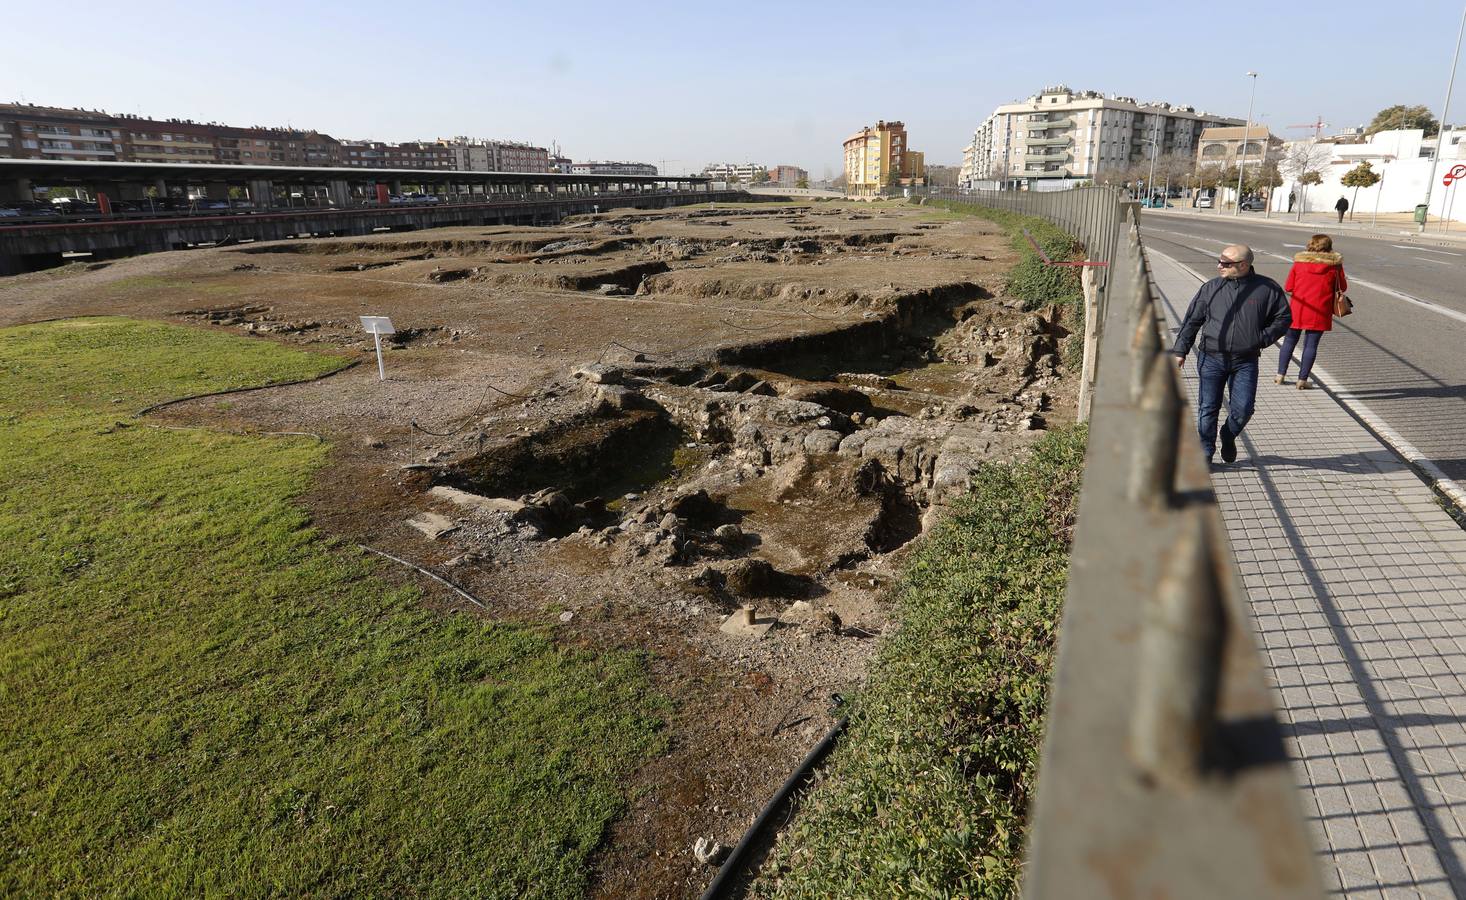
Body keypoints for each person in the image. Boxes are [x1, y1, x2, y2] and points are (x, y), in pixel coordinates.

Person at [1171, 244, 1292, 465]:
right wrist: (1180, 350)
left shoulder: (1267, 288)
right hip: (1211, 358)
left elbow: (1283, 318)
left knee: (1244, 409)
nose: (1219, 266)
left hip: (1245, 361)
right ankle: (1206, 453)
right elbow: (1192, 321)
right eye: (1219, 261)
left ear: (1243, 265)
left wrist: (1260, 339)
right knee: (1208, 408)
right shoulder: (1211, 288)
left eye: (1226, 263)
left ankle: (1228, 435)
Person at [1277, 234, 1346, 390]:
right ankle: (1302, 380)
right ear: (1329, 247)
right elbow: (1342, 287)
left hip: (1298, 308)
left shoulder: (1299, 263)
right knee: (1311, 345)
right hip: (1320, 310)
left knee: (1289, 340)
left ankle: (1280, 375)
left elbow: (1288, 287)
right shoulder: (1334, 266)